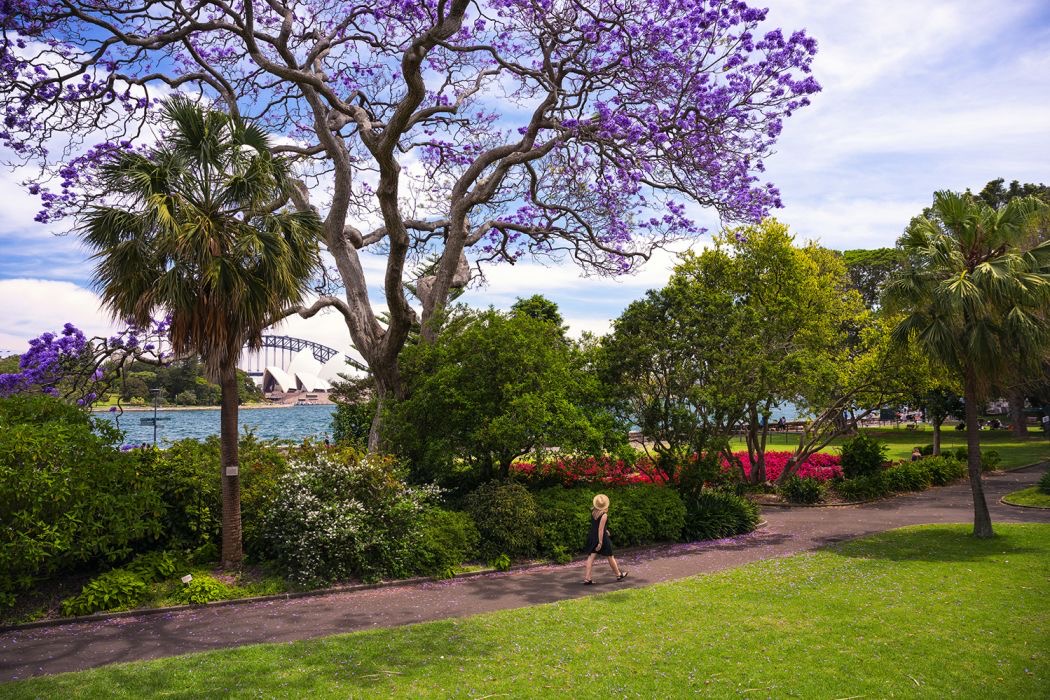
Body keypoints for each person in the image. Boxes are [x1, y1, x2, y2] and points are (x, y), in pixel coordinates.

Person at [582, 494, 627, 585]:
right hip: (601, 538)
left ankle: (587, 578)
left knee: (591, 557)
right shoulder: (604, 515)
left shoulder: (593, 512)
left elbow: (597, 526)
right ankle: (618, 574)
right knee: (610, 556)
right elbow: (600, 529)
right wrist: (600, 542)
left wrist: (606, 530)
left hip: (592, 536)